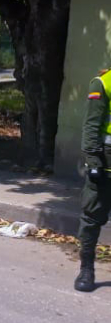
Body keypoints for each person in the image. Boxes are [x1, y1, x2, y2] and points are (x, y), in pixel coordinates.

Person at [74, 68, 111, 292]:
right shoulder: (103, 83)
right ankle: (86, 269)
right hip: (105, 165)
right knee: (92, 217)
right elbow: (91, 125)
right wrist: (93, 161)